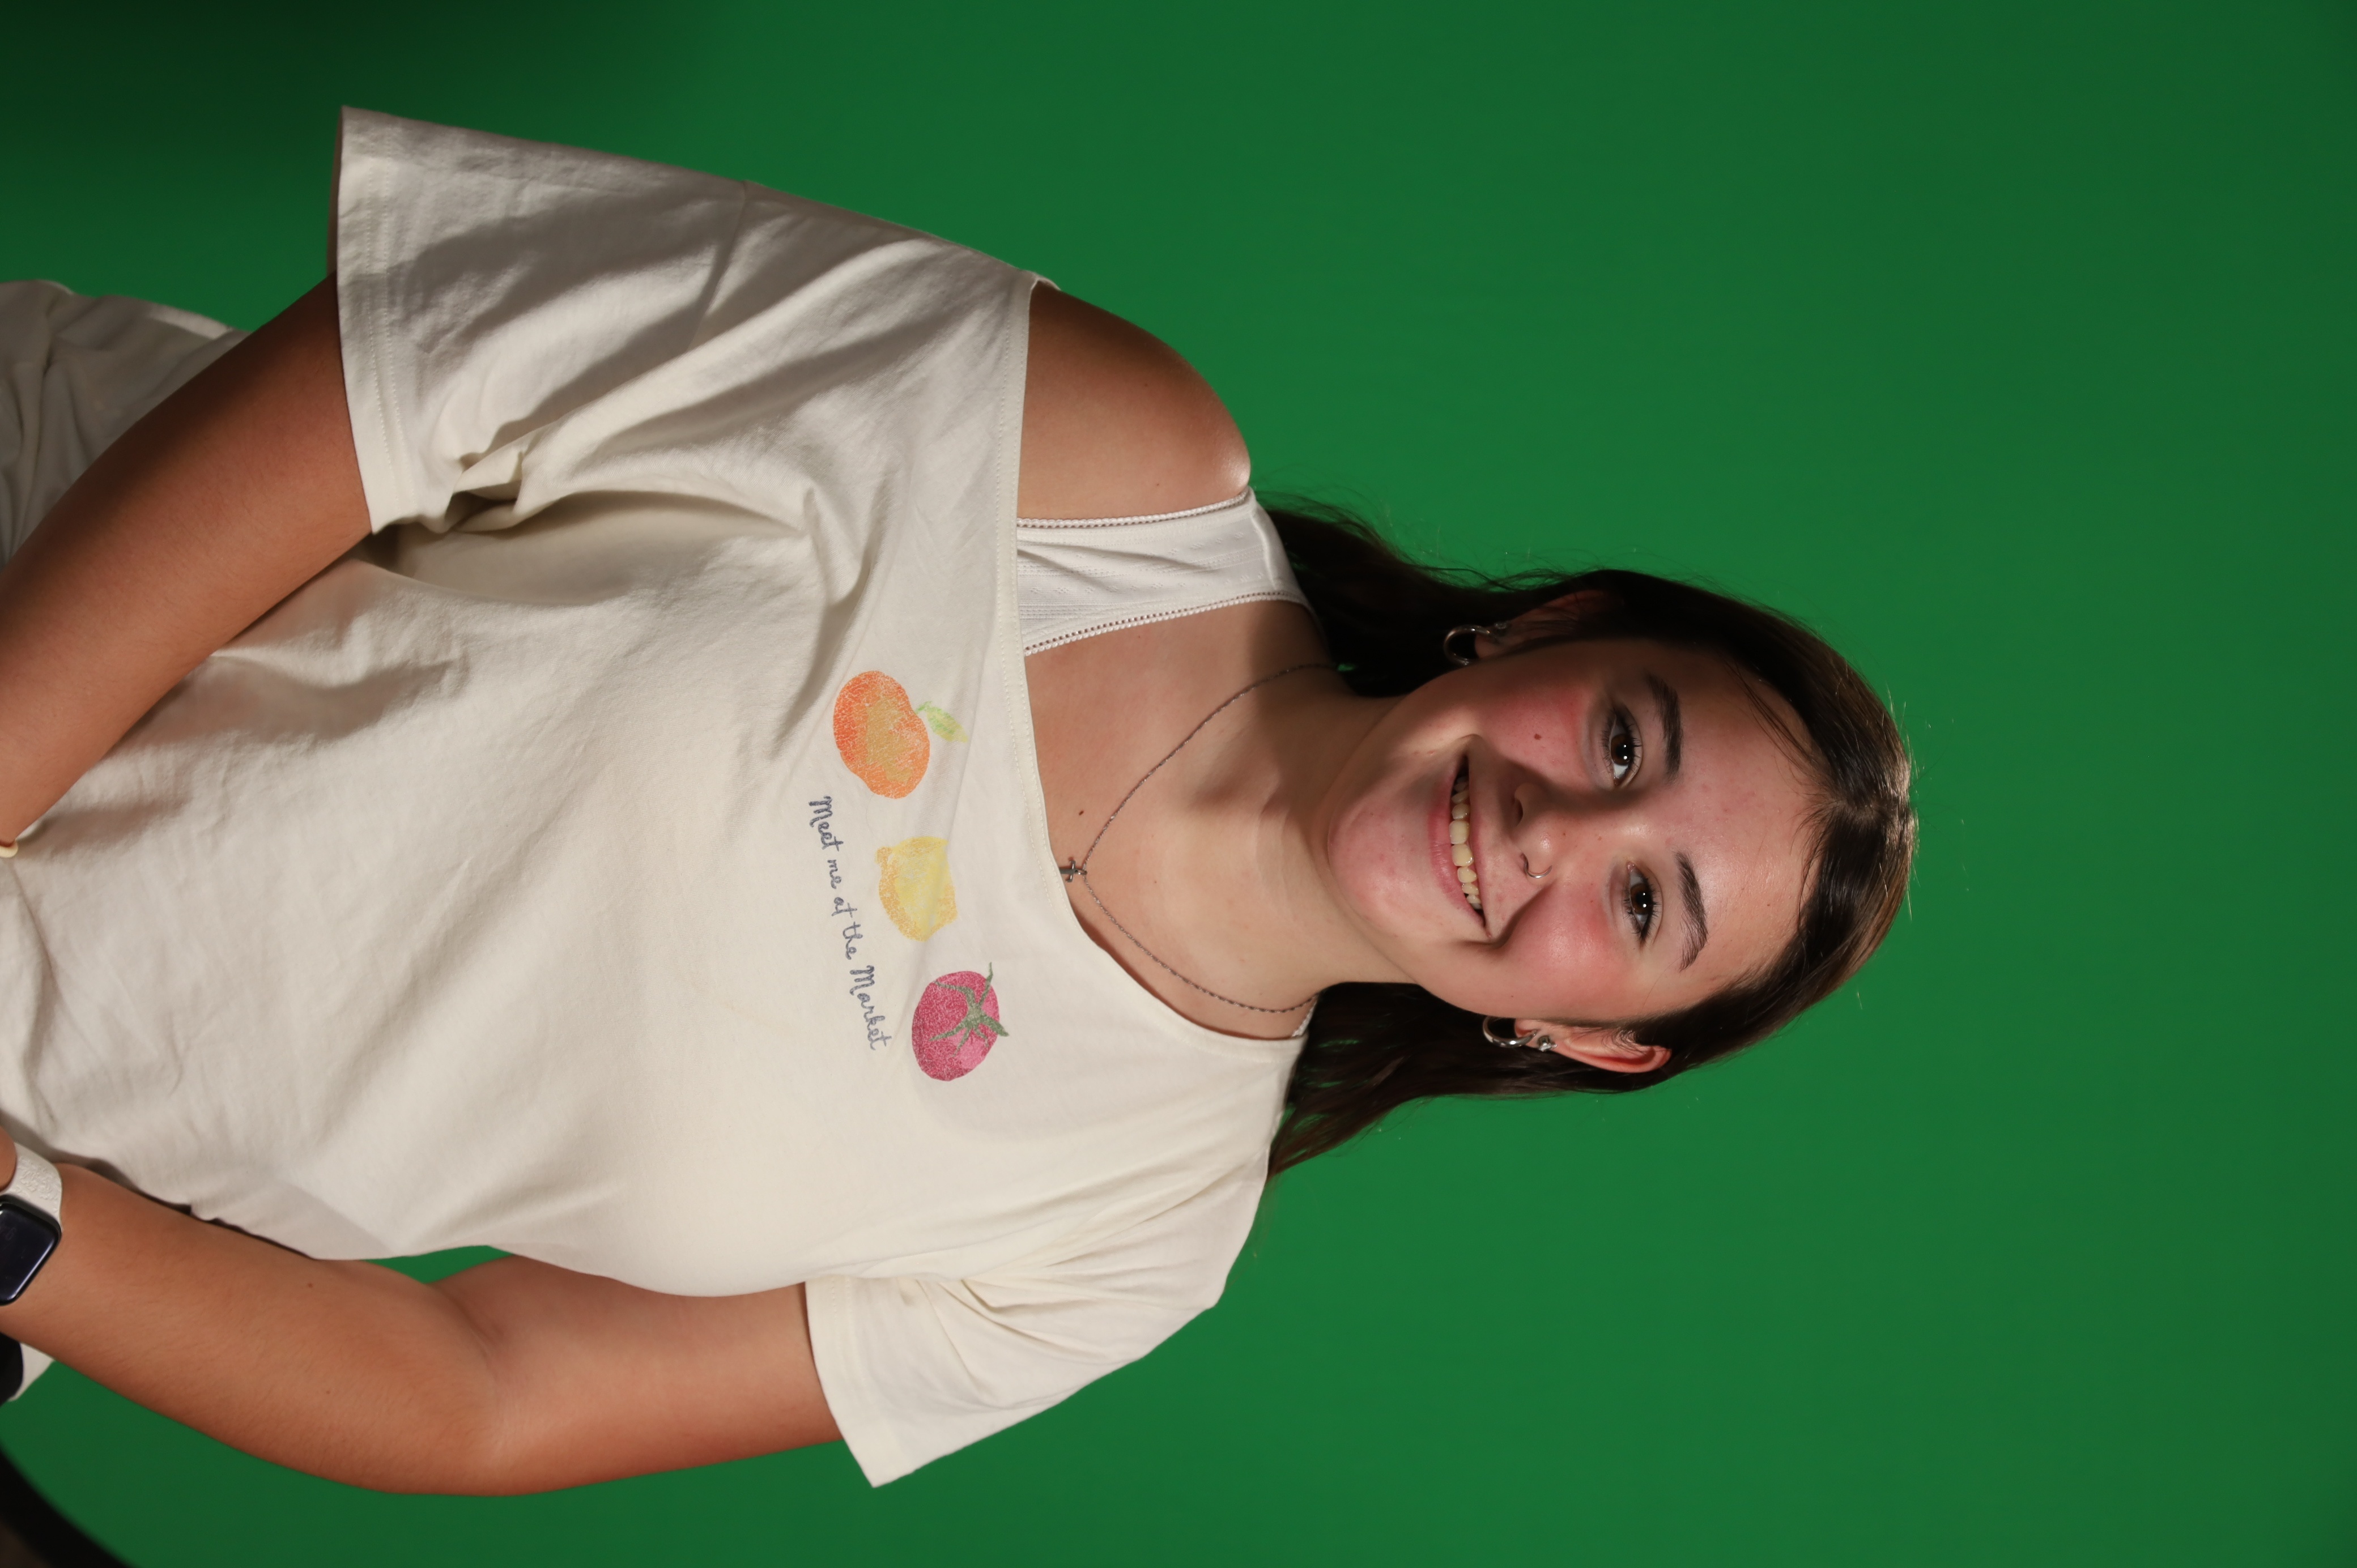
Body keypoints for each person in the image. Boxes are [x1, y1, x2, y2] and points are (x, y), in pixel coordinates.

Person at [0, 112, 1914, 1493]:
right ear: (1554, 632)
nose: (1561, 831)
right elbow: (397, 370)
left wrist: (19, 1221)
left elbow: (485, 1391)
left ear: (1586, 1038)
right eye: (1628, 741)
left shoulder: (1131, 1240)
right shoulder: (1100, 461)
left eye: (1645, 906)